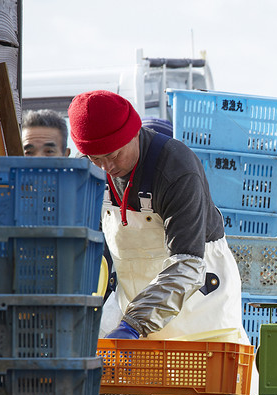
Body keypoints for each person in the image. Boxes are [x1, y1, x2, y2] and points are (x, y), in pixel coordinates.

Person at [67, 89, 249, 343]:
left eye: (113, 155)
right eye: (95, 158)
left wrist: (135, 324)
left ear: (134, 133)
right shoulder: (90, 170)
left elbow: (187, 263)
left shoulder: (176, 168)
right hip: (135, 305)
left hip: (202, 311)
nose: (106, 167)